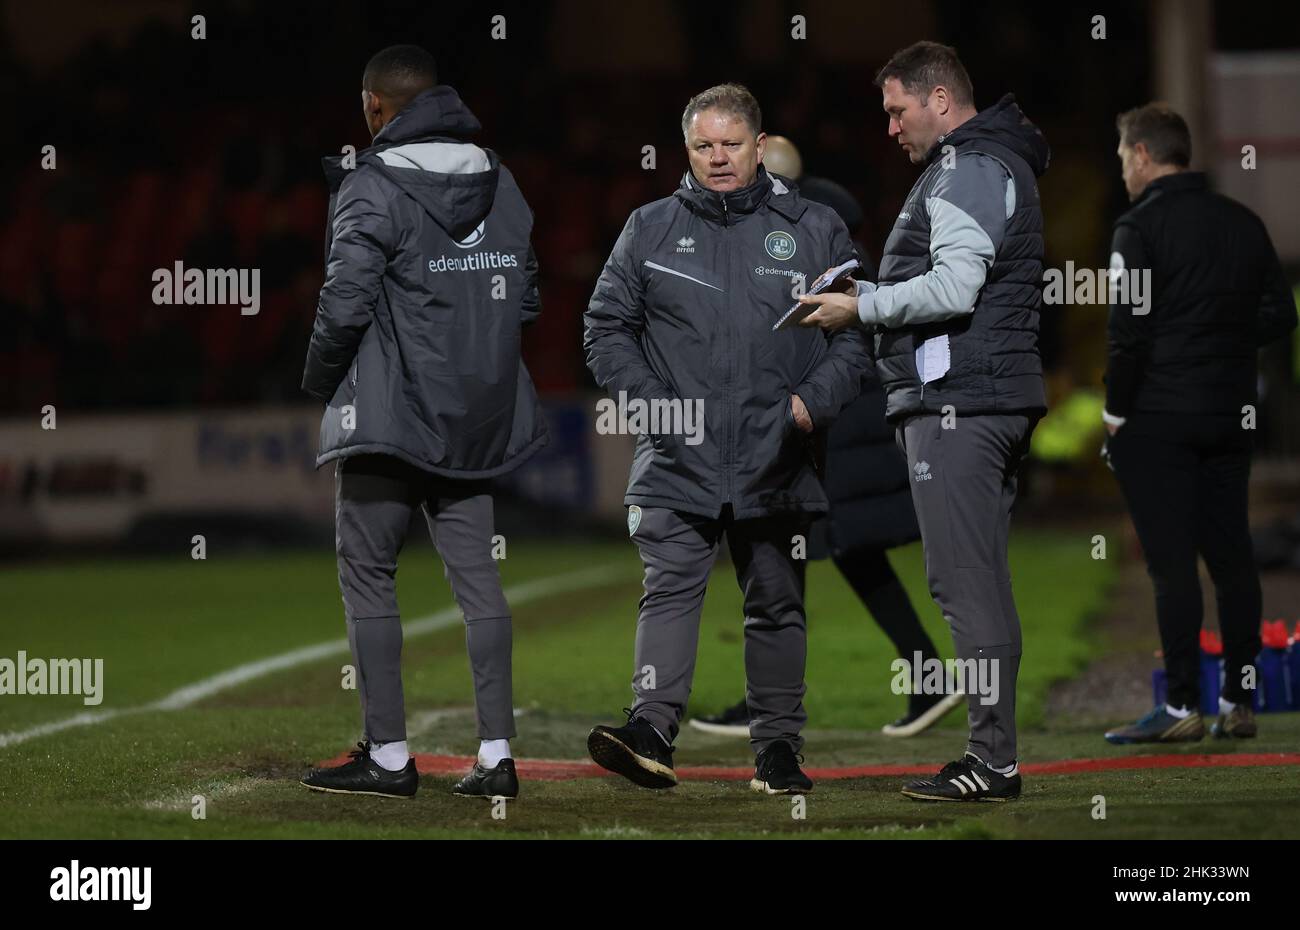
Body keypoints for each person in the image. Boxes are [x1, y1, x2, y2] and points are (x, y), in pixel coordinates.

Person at [583, 84, 869, 795]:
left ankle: (777, 752)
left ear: (759, 143)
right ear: (687, 149)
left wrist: (810, 404)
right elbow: (605, 327)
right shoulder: (647, 227)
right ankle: (650, 731)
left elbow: (855, 337)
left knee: (775, 602)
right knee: (670, 588)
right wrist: (653, 407)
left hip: (778, 452)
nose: (718, 157)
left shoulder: (816, 227)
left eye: (730, 144)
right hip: (678, 456)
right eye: (704, 145)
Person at [799, 41, 1049, 801]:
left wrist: (860, 306)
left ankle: (992, 762)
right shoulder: (984, 163)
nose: (890, 127)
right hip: (983, 396)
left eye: (896, 109)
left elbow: (955, 285)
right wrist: (869, 288)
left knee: (962, 583)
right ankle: (994, 755)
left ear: (940, 101)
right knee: (980, 582)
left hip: (962, 406)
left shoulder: (967, 166)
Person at [298, 45, 548, 801]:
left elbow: (344, 304)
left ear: (376, 107)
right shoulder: (500, 179)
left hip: (390, 416)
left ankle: (390, 756)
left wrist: (317, 381)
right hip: (475, 418)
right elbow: (526, 299)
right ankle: (498, 754)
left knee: (368, 572)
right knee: (479, 581)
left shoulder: (371, 185)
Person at [690, 135, 963, 739]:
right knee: (844, 553)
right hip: (852, 424)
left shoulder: (797, 238)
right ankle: (924, 679)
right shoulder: (829, 231)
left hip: (829, 427)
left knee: (783, 548)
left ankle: (772, 701)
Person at [1100, 103, 1297, 745]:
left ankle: (1182, 706)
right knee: (1233, 556)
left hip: (1157, 417)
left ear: (1145, 156)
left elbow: (1127, 338)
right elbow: (1281, 314)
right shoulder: (1241, 221)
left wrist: (1115, 412)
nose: (1122, 166)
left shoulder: (1138, 229)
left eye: (1124, 154)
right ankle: (1239, 699)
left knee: (1172, 564)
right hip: (1228, 411)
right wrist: (1224, 340)